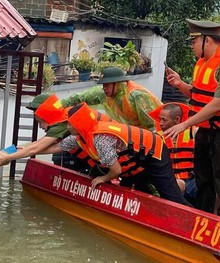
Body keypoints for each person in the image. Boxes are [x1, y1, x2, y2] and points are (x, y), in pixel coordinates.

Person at [62, 103, 191, 206]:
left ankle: (193, 222)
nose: (67, 127)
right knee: (132, 191)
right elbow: (59, 146)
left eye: (69, 123)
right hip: (138, 160)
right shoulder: (81, 136)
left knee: (172, 198)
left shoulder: (99, 139)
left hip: (155, 154)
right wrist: (40, 150)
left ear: (78, 124)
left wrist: (103, 178)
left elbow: (116, 170)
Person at [164, 19, 220, 213]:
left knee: (218, 180)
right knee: (204, 180)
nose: (191, 46)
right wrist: (180, 84)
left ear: (208, 41)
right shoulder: (202, 63)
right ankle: (204, 218)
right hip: (204, 133)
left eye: (193, 41)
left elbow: (217, 103)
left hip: (218, 133)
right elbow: (197, 95)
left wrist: (185, 124)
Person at [0, 93, 92, 173]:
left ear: (45, 113)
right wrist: (24, 149)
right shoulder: (62, 123)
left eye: (40, 122)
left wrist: (8, 157)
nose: (40, 127)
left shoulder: (63, 123)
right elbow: (49, 147)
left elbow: (36, 148)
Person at [61, 66, 162, 130]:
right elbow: (81, 97)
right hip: (132, 133)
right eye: (103, 85)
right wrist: (59, 106)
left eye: (107, 85)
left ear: (117, 83)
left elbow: (152, 125)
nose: (104, 88)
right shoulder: (105, 93)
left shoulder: (136, 96)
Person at [149, 103, 197, 203]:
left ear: (177, 120)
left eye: (164, 120)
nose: (160, 123)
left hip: (191, 181)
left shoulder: (194, 132)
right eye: (160, 119)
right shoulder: (156, 137)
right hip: (169, 182)